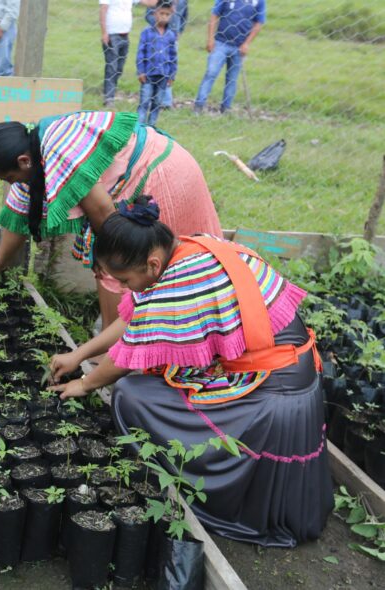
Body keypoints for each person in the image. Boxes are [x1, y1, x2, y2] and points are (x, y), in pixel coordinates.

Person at [49, 197, 333, 547]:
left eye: (124, 280)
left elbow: (128, 357)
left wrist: (86, 384)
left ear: (152, 264)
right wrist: (79, 355)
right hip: (289, 375)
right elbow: (133, 320)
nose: (123, 288)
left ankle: (205, 484)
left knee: (132, 394)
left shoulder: (183, 281)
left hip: (275, 396)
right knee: (156, 374)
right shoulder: (189, 246)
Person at [0, 111, 221, 329]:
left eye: (11, 178)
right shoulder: (33, 155)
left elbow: (105, 217)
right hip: (158, 166)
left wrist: (106, 262)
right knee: (133, 261)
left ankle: (115, 345)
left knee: (121, 259)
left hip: (161, 173)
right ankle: (135, 327)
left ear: (23, 161)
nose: (14, 184)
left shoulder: (56, 150)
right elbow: (18, 217)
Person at [194, 0, 265, 114]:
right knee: (211, 73)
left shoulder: (259, 1)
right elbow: (214, 14)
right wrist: (210, 39)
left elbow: (259, 22)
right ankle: (199, 106)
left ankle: (226, 109)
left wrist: (246, 43)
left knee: (232, 79)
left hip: (239, 46)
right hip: (220, 43)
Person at [99, 0, 157, 108]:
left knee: (119, 68)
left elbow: (149, 3)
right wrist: (104, 33)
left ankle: (110, 92)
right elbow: (103, 10)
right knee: (112, 67)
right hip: (112, 34)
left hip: (125, 35)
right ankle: (109, 98)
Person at [136, 0, 177, 125]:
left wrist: (172, 75)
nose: (164, 17)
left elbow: (173, 56)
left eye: (167, 14)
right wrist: (141, 71)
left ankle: (151, 128)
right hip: (148, 74)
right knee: (144, 101)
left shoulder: (171, 35)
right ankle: (140, 128)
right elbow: (141, 52)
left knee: (157, 103)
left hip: (163, 75)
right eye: (161, 13)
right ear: (154, 14)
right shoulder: (147, 32)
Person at [144, 0, 188, 108]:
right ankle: (151, 99)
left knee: (168, 68)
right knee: (154, 67)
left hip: (172, 39)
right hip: (156, 38)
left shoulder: (183, 1)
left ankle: (166, 102)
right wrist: (160, 26)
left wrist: (179, 31)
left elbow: (184, 16)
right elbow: (148, 15)